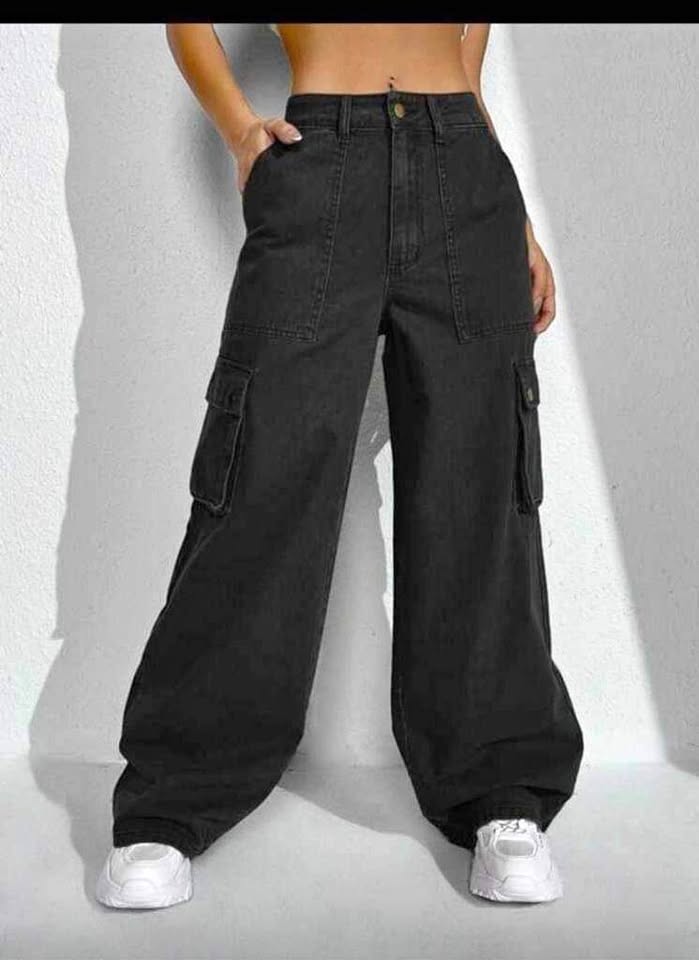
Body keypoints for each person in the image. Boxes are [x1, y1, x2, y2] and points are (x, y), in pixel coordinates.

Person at [95, 22, 584, 910]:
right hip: (317, 163)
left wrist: (515, 221)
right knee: (260, 477)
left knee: (481, 481)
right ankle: (173, 800)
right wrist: (241, 132)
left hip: (466, 175)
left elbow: (467, 70)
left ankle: (500, 793)